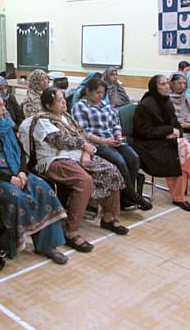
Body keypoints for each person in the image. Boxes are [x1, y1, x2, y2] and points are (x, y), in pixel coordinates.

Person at [0, 91, 68, 264]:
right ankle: (6, 244)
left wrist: (21, 172)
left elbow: (20, 153)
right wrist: (8, 178)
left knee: (44, 190)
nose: (3, 108)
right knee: (17, 198)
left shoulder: (6, 126)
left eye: (3, 104)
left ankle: (47, 245)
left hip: (15, 173)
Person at [19, 87, 127, 252]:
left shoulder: (65, 117)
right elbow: (59, 140)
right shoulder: (41, 120)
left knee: (111, 170)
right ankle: (71, 231)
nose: (64, 102)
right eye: (59, 100)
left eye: (64, 98)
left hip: (77, 156)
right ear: (48, 105)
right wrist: (85, 146)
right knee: (84, 181)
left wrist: (84, 151)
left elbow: (80, 135)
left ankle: (109, 217)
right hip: (55, 160)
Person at [133, 75, 190, 212]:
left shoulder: (167, 102)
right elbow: (144, 132)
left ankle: (182, 196)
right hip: (147, 145)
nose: (167, 86)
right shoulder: (145, 105)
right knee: (182, 150)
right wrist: (169, 131)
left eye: (167, 83)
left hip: (165, 140)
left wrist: (176, 132)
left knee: (182, 151)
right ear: (154, 87)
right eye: (162, 84)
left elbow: (176, 125)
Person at [72, 77, 153, 211]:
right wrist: (104, 141)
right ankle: (133, 196)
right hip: (96, 144)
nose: (101, 96)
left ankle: (125, 197)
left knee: (133, 158)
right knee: (119, 162)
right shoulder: (80, 107)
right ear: (88, 91)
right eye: (98, 92)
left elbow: (115, 123)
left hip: (112, 140)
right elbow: (83, 132)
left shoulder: (105, 104)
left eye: (102, 93)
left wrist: (118, 135)